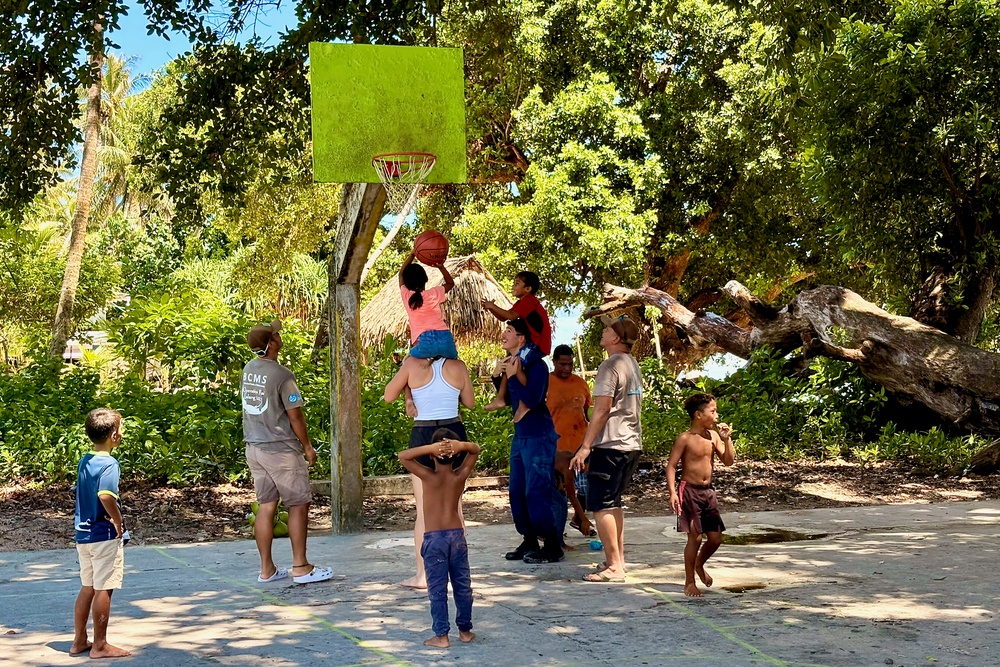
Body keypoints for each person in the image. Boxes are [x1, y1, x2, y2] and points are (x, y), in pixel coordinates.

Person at [241, 320, 333, 585]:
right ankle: (301, 567)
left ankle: (267, 569)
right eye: (276, 334)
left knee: (266, 505)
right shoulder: (282, 375)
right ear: (271, 344)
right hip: (281, 450)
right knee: (298, 504)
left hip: (254, 448)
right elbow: (295, 416)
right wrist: (308, 447)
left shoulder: (249, 369)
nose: (280, 336)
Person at [384, 354, 475, 588]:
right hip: (454, 431)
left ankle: (424, 575)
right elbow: (470, 402)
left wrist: (410, 390)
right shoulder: (457, 365)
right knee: (455, 506)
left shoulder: (412, 364)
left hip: (424, 432)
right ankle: (457, 574)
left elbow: (388, 395)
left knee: (424, 509)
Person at [570, 315, 644, 583]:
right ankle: (617, 560)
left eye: (607, 329)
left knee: (601, 506)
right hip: (630, 443)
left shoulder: (610, 365)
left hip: (611, 443)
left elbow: (601, 409)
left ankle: (614, 566)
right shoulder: (632, 363)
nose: (603, 331)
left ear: (616, 338)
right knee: (613, 503)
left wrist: (585, 446)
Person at [397, 430, 479, 648]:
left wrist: (430, 448)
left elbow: (403, 456)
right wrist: (460, 446)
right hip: (457, 537)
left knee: (437, 589)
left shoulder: (427, 475)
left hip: (435, 539)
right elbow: (476, 450)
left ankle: (441, 636)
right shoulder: (459, 476)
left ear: (432, 455)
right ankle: (465, 631)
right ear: (457, 455)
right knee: (463, 586)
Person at [499, 318, 564, 564]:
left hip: (539, 436)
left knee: (536, 492)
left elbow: (533, 400)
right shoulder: (514, 363)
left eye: (509, 331)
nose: (504, 334)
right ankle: (529, 540)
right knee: (517, 492)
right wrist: (499, 377)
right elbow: (509, 399)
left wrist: (513, 377)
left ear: (521, 338)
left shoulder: (537, 366)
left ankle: (552, 545)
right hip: (521, 437)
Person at [71, 408, 131, 659]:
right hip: (103, 534)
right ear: (114, 435)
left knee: (88, 587)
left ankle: (79, 641)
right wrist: (118, 520)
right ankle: (100, 645)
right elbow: (105, 495)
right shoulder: (110, 464)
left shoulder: (85, 460)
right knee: (104, 588)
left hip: (83, 535)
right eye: (121, 429)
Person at [667, 393, 735, 597]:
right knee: (695, 538)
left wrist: (727, 440)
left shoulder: (713, 436)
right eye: (712, 411)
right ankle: (689, 582)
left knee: (715, 539)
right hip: (689, 491)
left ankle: (699, 564)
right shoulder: (685, 438)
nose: (717, 415)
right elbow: (671, 466)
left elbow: (728, 461)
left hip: (708, 492)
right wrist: (672, 492)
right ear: (698, 415)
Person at [482, 271, 551, 421]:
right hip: (534, 343)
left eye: (517, 283)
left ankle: (523, 404)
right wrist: (491, 308)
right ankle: (502, 398)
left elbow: (511, 316)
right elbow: (504, 317)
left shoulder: (529, 301)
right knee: (511, 363)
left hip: (538, 344)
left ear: (528, 289)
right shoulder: (521, 303)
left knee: (516, 364)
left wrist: (493, 305)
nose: (513, 286)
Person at [547, 344, 594, 537]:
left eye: (570, 364)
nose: (567, 368)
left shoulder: (581, 383)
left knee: (586, 488)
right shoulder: (545, 382)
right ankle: (555, 530)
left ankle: (578, 518)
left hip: (580, 444)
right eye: (562, 364)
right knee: (563, 491)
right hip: (556, 446)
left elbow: (588, 411)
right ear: (554, 362)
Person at [400, 249, 458, 361]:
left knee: (406, 361)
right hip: (446, 339)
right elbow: (450, 283)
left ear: (406, 283)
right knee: (455, 363)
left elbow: (401, 275)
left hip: (425, 344)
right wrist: (441, 267)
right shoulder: (433, 293)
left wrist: (412, 254)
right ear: (425, 279)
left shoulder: (407, 296)